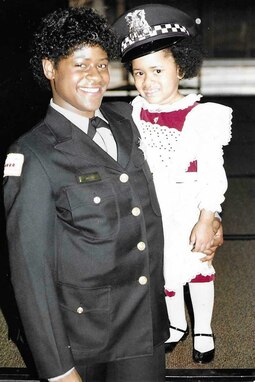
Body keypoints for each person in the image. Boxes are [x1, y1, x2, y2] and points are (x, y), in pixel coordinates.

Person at [2, 7, 170, 382]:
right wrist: (58, 369)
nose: (95, 77)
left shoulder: (127, 121)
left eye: (101, 64)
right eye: (80, 65)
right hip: (84, 337)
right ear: (49, 68)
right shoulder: (34, 155)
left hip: (144, 321)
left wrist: (210, 214)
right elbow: (31, 274)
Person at [113, 4, 232, 364]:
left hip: (188, 207)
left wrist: (208, 215)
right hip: (152, 208)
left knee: (197, 266)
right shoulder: (133, 112)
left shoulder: (202, 116)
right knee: (163, 270)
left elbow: (213, 170)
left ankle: (204, 328)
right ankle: (176, 324)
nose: (148, 82)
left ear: (180, 67)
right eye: (139, 73)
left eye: (158, 70)